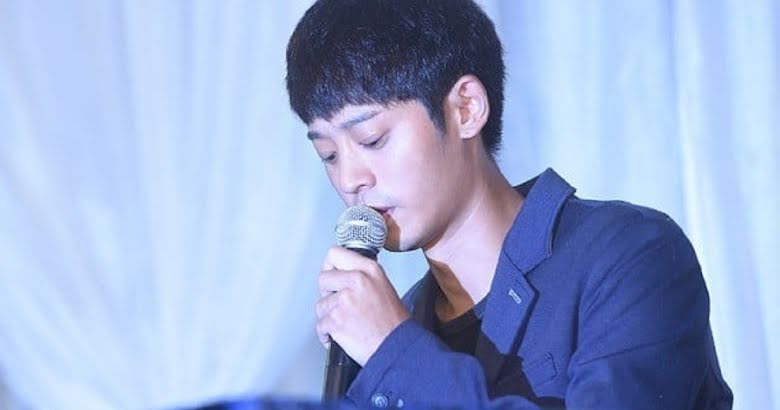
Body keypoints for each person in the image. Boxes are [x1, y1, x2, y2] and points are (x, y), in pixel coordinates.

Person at [285, 0, 733, 408]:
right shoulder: (402, 324)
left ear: (465, 109)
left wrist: (393, 353)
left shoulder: (627, 256)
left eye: (372, 139)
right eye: (329, 154)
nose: (350, 179)